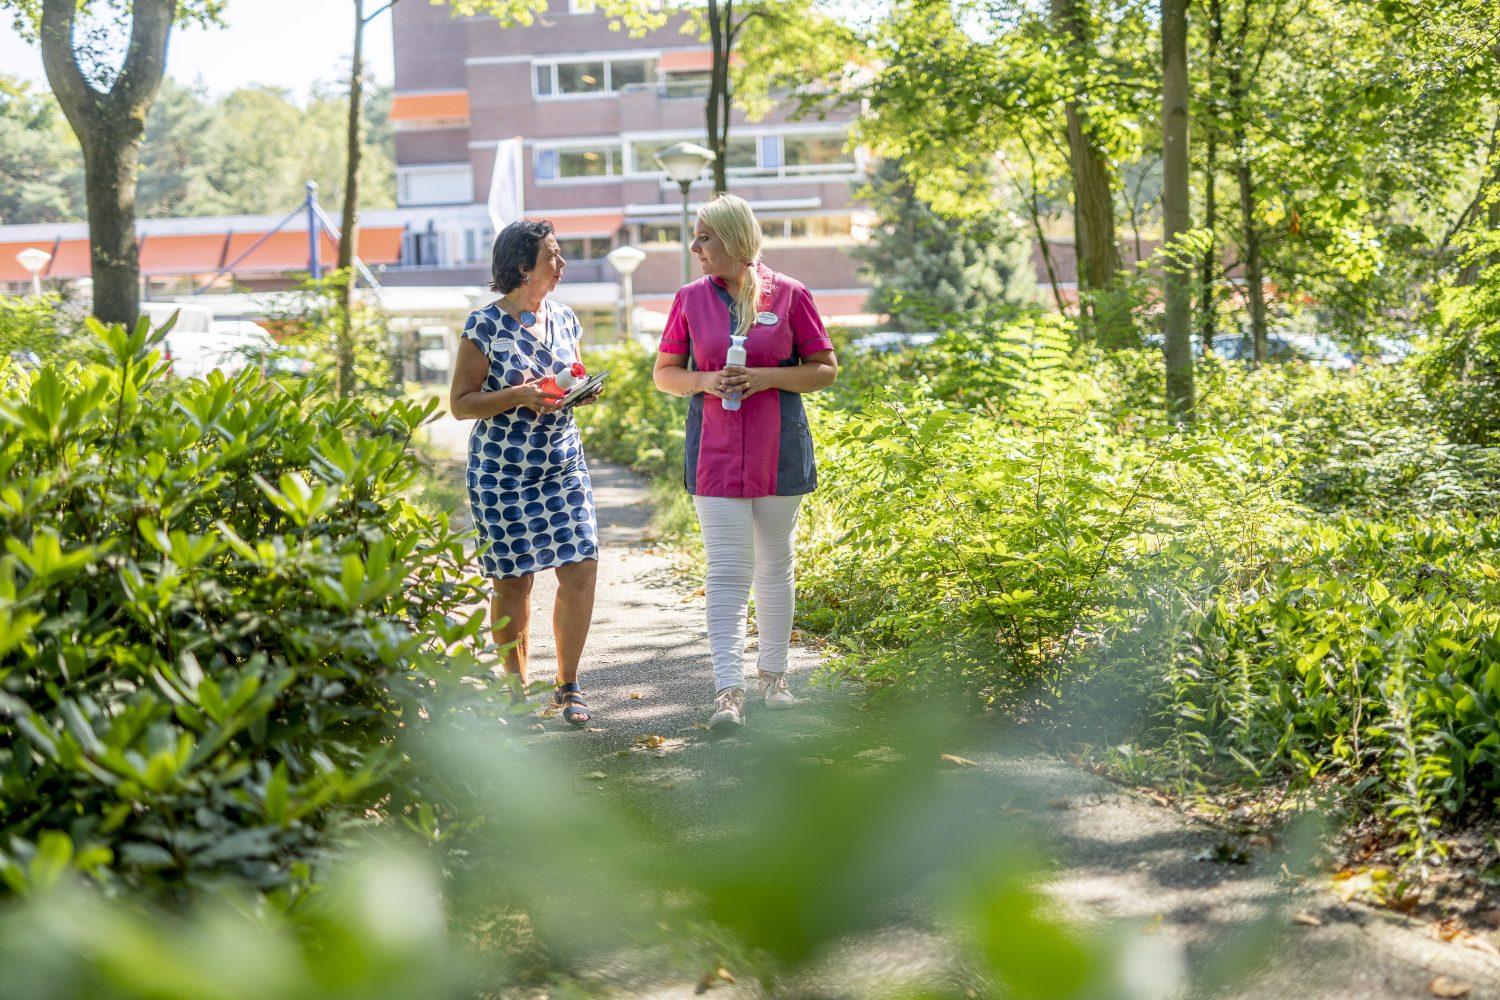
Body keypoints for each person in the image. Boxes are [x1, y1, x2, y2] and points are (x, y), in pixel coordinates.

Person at [652, 193, 838, 731]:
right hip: (713, 452)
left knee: (774, 567)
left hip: (780, 451)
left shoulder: (792, 294)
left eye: (704, 237)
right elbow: (665, 374)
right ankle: (727, 693)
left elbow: (824, 369)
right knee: (728, 572)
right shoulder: (689, 298)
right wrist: (706, 381)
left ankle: (774, 680)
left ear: (733, 241)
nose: (695, 247)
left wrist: (767, 377)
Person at [449, 219, 601, 725]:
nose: (561, 264)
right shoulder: (483, 327)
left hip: (561, 460)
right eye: (552, 255)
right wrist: (517, 395)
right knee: (514, 583)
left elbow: (569, 373)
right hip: (502, 473)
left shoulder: (564, 318)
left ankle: (568, 686)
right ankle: (515, 694)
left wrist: (580, 389)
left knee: (581, 564)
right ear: (522, 267)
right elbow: (461, 404)